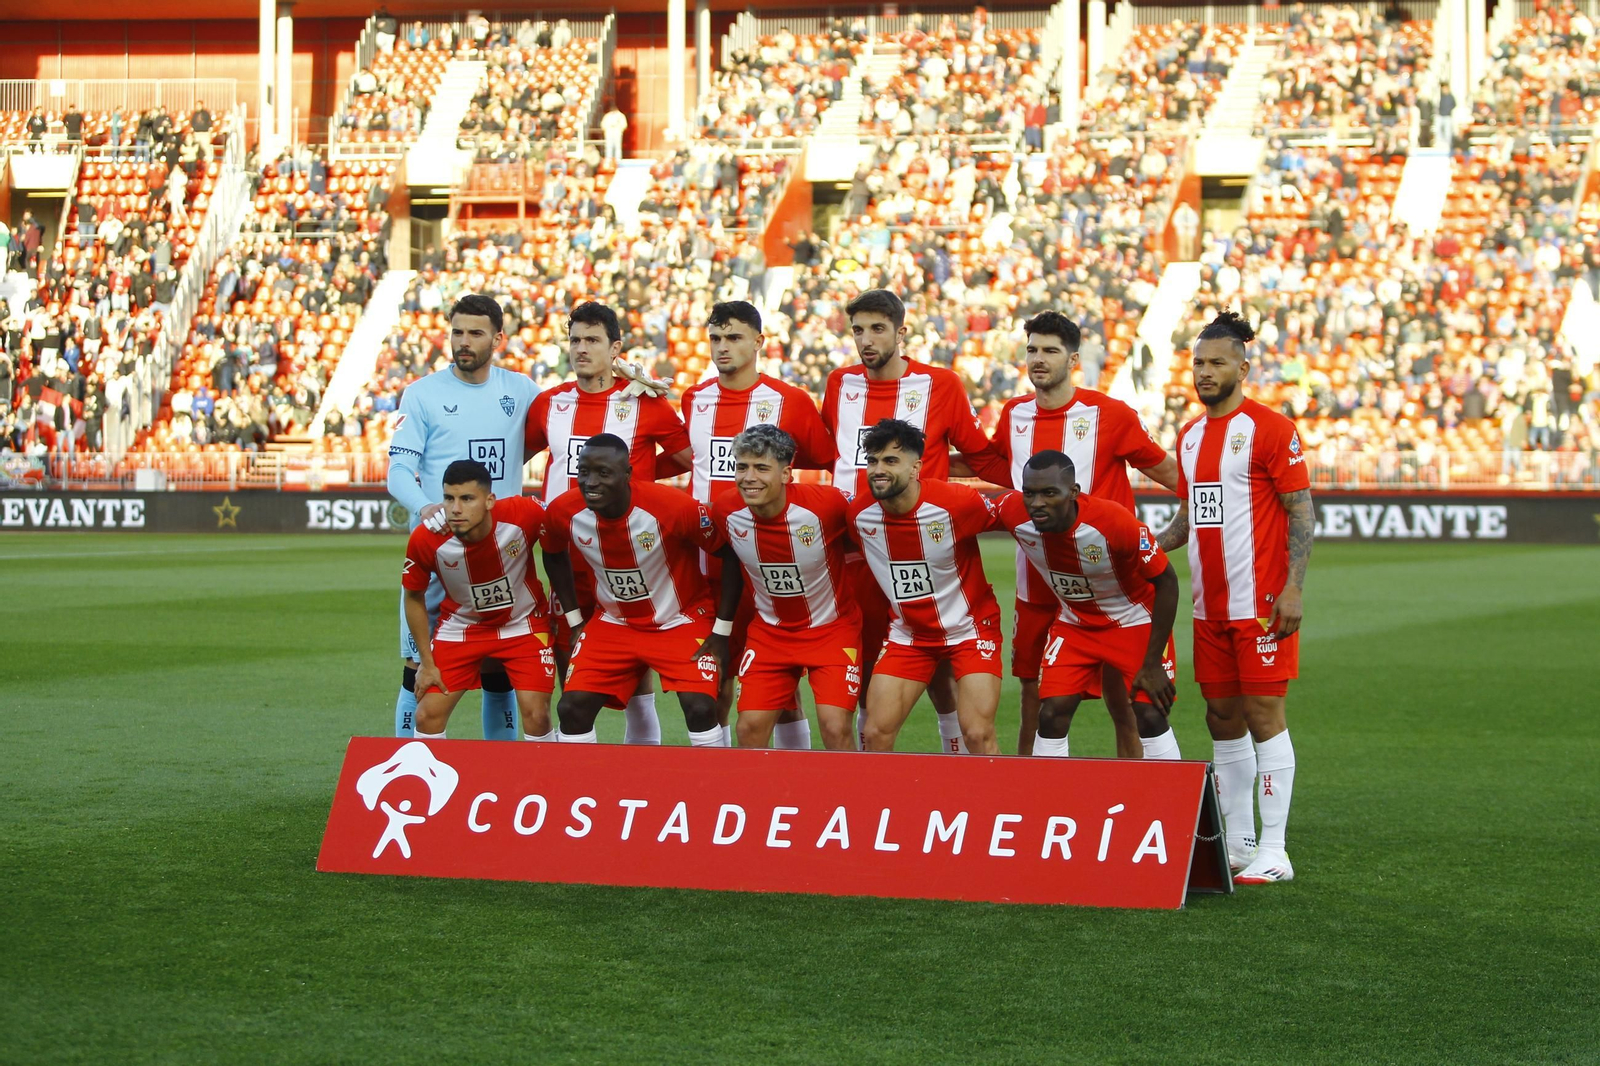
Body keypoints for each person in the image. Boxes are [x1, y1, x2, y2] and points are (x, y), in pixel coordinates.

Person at [1157, 310, 1314, 885]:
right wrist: (1143, 547)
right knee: (1221, 716)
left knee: (1263, 715)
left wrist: (1293, 587)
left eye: (1217, 363)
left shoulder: (1271, 429)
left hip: (1261, 604)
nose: (1204, 372)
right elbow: (1191, 517)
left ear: (1242, 369)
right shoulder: (1190, 436)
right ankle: (1242, 841)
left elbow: (1301, 512)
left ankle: (1276, 849)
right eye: (1198, 363)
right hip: (1209, 608)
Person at [821, 288, 1009, 752]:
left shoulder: (940, 385)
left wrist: (1045, 486)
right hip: (857, 546)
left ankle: (954, 751)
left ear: (901, 332)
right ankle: (868, 767)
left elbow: (981, 456)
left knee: (940, 654)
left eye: (878, 329)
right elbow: (827, 453)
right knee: (866, 661)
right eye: (858, 330)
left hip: (927, 543)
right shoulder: (839, 384)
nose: (866, 340)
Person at [986, 310, 1179, 756]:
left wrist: (1169, 537)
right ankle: (1032, 786)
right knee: (1036, 695)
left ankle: (1132, 784)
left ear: (1074, 359)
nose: (1038, 358)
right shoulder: (1014, 413)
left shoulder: (1110, 414)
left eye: (1050, 350)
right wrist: (927, 462)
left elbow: (1175, 476)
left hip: (1107, 581)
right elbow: (994, 466)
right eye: (1032, 349)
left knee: (1124, 698)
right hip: (1038, 578)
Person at [523, 301, 693, 744]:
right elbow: (519, 456)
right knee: (571, 653)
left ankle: (641, 758)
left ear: (615, 348)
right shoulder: (549, 403)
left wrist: (639, 476)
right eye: (575, 340)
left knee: (636, 652)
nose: (581, 349)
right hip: (566, 550)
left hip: (627, 551)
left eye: (593, 340)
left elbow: (685, 458)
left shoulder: (644, 403)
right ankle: (579, 761)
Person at [677, 300, 835, 748]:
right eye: (715, 338)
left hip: (771, 564)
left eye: (733, 337)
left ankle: (790, 774)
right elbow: (690, 459)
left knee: (779, 684)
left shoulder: (790, 401)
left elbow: (824, 458)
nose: (722, 347)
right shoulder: (695, 399)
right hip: (707, 561)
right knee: (714, 675)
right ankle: (721, 773)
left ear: (758, 342)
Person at [386, 293, 541, 741]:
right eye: (457, 332)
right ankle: (407, 763)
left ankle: (500, 769)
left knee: (499, 669)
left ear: (498, 339)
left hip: (501, 555)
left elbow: (565, 425)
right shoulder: (422, 394)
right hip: (441, 554)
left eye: (475, 333)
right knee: (418, 664)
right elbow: (398, 469)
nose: (464, 342)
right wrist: (426, 508)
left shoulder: (522, 391)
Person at [542, 435, 727, 746]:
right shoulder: (564, 510)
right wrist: (575, 620)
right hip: (614, 622)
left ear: (627, 474)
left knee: (701, 708)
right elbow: (552, 552)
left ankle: (715, 776)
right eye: (584, 472)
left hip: (679, 620)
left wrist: (722, 629)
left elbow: (727, 553)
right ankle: (580, 778)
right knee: (571, 709)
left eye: (603, 473)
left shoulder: (672, 507)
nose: (591, 482)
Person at [997, 451, 1180, 759]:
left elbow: (1168, 582)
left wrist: (1152, 663)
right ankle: (1047, 790)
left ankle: (1173, 790)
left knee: (1149, 715)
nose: (1037, 503)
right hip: (1075, 623)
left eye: (1049, 493)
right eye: (1029, 493)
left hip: (1132, 620)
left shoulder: (1113, 522)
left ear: (1073, 492)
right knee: (1051, 714)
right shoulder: (1013, 512)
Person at [850, 418, 1003, 755]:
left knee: (977, 734)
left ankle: (994, 790)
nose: (878, 469)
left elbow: (1013, 516)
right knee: (875, 733)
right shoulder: (859, 515)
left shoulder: (956, 503)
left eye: (891, 461)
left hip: (970, 630)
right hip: (909, 635)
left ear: (916, 467)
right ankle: (880, 793)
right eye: (872, 461)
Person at [706, 424, 860, 750]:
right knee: (749, 728)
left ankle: (848, 785)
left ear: (787, 474)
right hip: (770, 633)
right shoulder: (725, 509)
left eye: (762, 468)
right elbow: (730, 558)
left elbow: (867, 533)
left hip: (831, 631)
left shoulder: (828, 505)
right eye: (742, 467)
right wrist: (722, 628)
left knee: (835, 727)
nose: (749, 477)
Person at [402, 459, 556, 742]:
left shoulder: (523, 513)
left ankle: (546, 772)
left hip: (524, 624)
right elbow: (413, 597)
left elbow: (564, 526)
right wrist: (426, 662)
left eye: (467, 499)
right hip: (461, 627)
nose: (455, 508)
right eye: (449, 498)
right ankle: (428, 771)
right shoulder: (426, 538)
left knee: (537, 715)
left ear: (489, 501)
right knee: (426, 716)